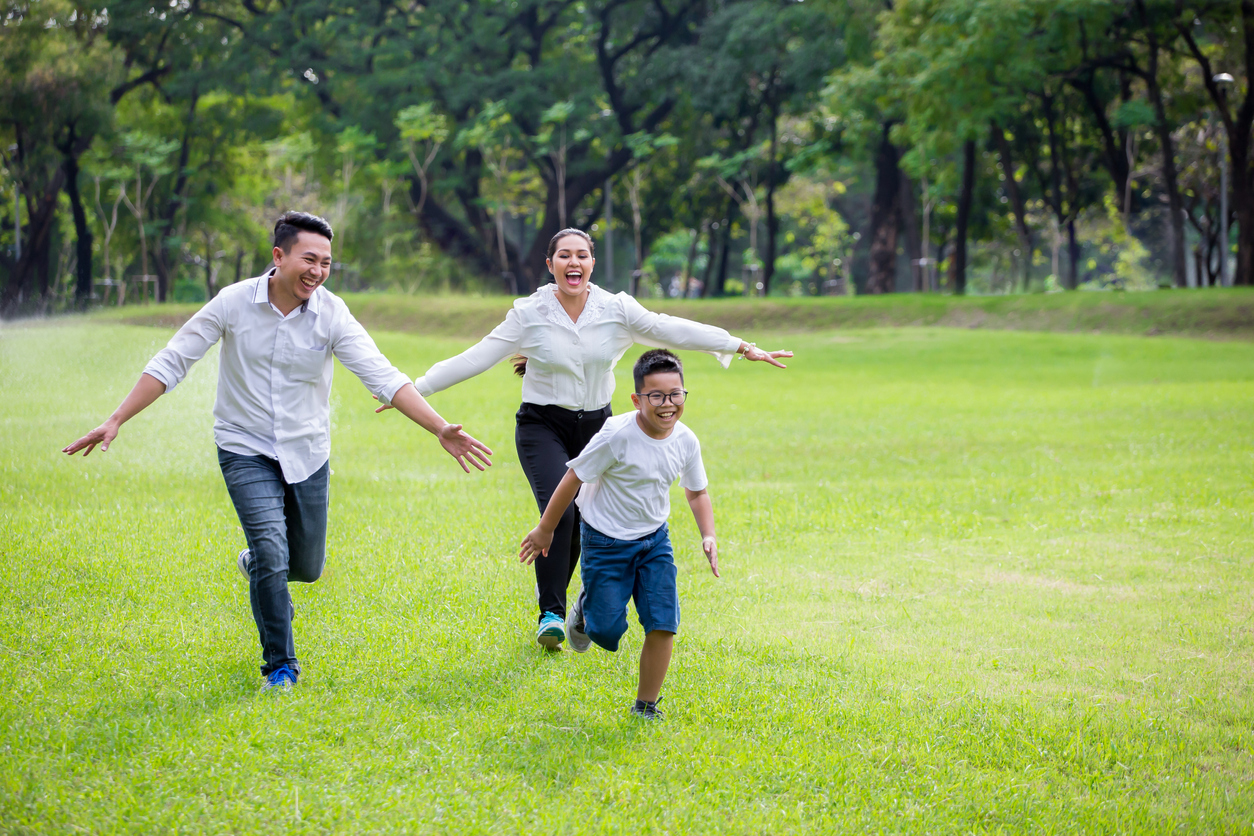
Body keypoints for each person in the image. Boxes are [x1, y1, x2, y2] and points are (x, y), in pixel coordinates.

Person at [62, 211, 493, 693]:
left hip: (307, 450)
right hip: (243, 446)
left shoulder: (332, 313)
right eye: (309, 259)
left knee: (304, 567)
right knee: (272, 549)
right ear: (279, 256)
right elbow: (174, 359)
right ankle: (280, 667)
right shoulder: (232, 303)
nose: (318, 271)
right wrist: (116, 419)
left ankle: (258, 565)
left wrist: (438, 427)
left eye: (327, 263)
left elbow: (383, 375)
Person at [401, 228, 789, 649]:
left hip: (598, 428)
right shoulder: (528, 313)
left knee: (590, 522)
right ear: (550, 266)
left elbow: (671, 329)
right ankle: (550, 612)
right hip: (542, 426)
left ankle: (584, 606)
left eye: (582, 255)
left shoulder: (616, 309)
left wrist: (737, 345)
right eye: (564, 256)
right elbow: (477, 356)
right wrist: (413, 389)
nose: (574, 263)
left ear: (591, 263)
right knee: (561, 511)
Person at [519, 349, 718, 719]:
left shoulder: (686, 440)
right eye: (656, 396)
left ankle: (646, 705)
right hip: (605, 541)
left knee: (663, 622)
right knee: (607, 631)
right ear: (637, 399)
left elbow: (697, 491)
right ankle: (585, 610)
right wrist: (546, 528)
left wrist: (708, 534)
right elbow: (573, 476)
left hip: (654, 540)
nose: (667, 404)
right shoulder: (616, 435)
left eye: (675, 394)